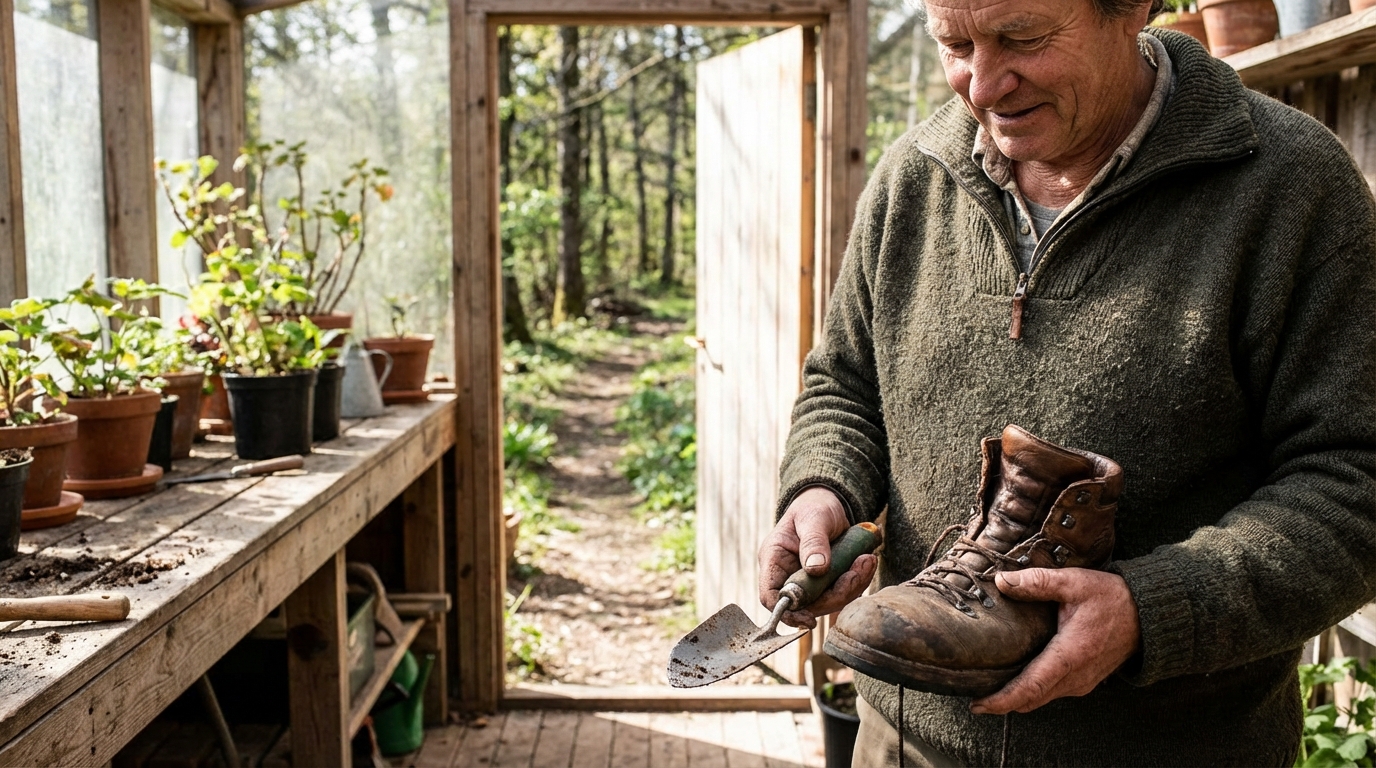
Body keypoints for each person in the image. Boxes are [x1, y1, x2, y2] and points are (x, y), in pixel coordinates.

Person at [756, 0, 1376, 765]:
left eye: (1020, 38)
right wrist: (824, 490)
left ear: (1133, 10)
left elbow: (1356, 477)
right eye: (955, 43)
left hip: (1175, 750)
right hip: (904, 740)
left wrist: (1151, 609)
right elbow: (844, 385)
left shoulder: (1291, 186)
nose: (983, 85)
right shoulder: (911, 179)